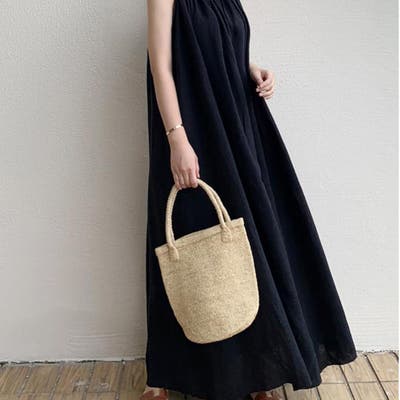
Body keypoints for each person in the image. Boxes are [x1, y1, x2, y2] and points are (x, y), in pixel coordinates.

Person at [142, 1, 357, 400]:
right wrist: (177, 139)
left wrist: (249, 68)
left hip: (238, 123)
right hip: (193, 130)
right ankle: (165, 377)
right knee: (185, 247)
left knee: (253, 243)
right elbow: (162, 67)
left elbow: (215, 46)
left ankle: (260, 374)